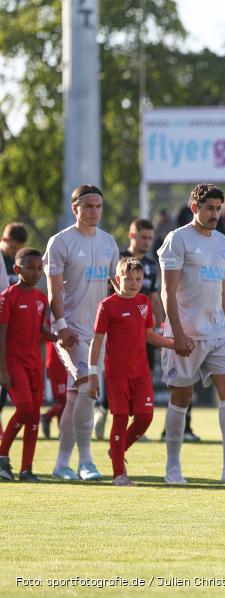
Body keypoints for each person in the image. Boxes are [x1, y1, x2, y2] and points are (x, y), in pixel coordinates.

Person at [157, 183, 225, 485]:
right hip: (186, 335)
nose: (215, 214)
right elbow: (168, 291)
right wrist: (177, 334)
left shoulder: (222, 242)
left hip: (217, 333)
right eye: (209, 208)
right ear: (195, 208)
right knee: (182, 396)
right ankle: (173, 468)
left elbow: (222, 287)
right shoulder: (177, 239)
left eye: (218, 209)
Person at [44, 185, 119, 481]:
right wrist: (61, 326)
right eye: (88, 206)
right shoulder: (60, 242)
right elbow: (53, 289)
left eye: (98, 206)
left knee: (76, 397)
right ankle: (86, 461)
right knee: (87, 388)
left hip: (98, 332)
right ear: (75, 208)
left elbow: (116, 286)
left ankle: (62, 463)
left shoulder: (108, 242)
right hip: (71, 330)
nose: (94, 211)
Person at [87, 258, 175, 486]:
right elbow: (96, 341)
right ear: (118, 279)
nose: (135, 283)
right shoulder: (107, 305)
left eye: (138, 278)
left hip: (141, 372)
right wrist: (92, 373)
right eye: (128, 278)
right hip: (116, 374)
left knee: (146, 417)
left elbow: (149, 335)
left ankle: (117, 449)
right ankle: (119, 475)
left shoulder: (144, 302)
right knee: (120, 418)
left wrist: (172, 344)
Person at [94, 218, 166, 441]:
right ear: (132, 235)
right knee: (118, 373)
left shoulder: (152, 265)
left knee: (142, 372)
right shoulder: (120, 260)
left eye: (150, 238)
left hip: (143, 325)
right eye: (143, 237)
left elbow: (154, 296)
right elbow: (109, 291)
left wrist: (162, 324)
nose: (146, 242)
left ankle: (134, 423)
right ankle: (105, 410)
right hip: (120, 327)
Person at [0, 248, 56, 481]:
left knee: (33, 414)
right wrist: (2, 369)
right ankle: (2, 456)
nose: (36, 273)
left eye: (39, 268)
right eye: (30, 268)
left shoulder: (41, 299)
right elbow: (2, 335)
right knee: (24, 409)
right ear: (17, 269)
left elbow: (39, 332)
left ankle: (26, 469)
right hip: (13, 363)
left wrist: (59, 336)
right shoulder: (7, 298)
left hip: (35, 364)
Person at [0, 222, 27, 424]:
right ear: (5, 239)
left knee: (5, 373)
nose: (14, 253)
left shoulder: (17, 264)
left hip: (14, 327)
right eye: (13, 248)